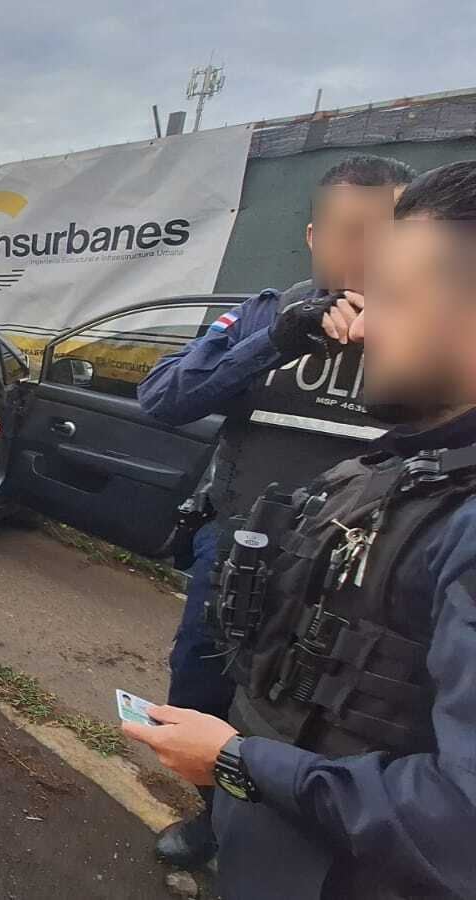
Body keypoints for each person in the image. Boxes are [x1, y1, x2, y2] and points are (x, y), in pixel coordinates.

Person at [124, 160, 476, 899]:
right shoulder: (270, 316)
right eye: (349, 234)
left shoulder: (431, 364)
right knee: (213, 695)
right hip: (246, 556)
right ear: (313, 237)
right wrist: (282, 338)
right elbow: (162, 399)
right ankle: (220, 818)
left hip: (376, 587)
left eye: (380, 234)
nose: (364, 254)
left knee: (328, 726)